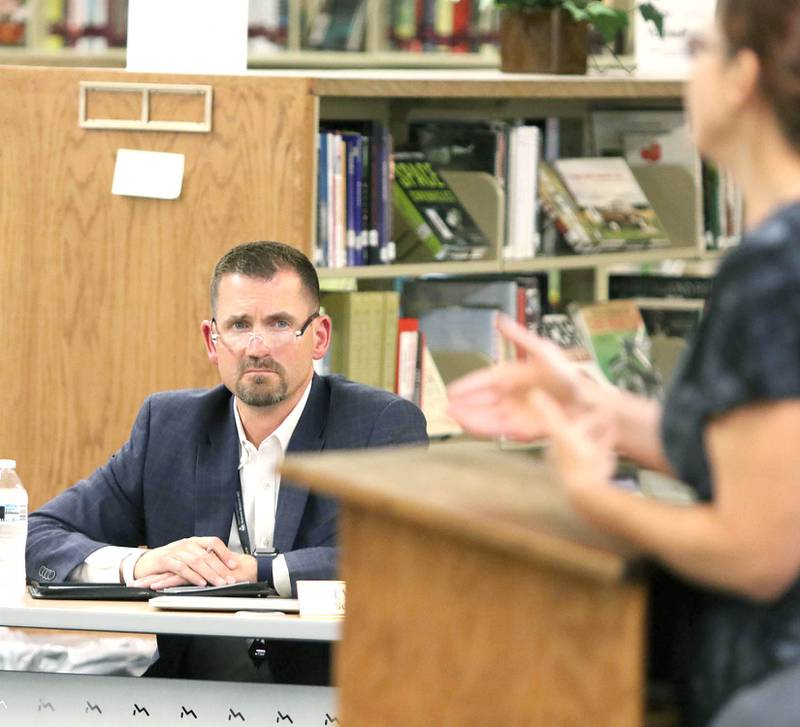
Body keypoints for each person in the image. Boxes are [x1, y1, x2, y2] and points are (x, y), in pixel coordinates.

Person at [447, 2, 800, 725]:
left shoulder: (776, 271)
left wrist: (595, 496)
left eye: (700, 48)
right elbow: (763, 459)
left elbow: (759, 551)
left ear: (743, 77)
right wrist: (585, 401)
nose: (686, 75)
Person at [26, 240, 428, 684]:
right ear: (212, 341)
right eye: (239, 325)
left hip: (336, 694)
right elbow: (38, 536)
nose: (257, 347)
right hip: (193, 692)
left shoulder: (380, 425)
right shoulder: (169, 426)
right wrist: (138, 566)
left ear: (319, 336)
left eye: (279, 323)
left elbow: (400, 558)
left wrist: (259, 571)